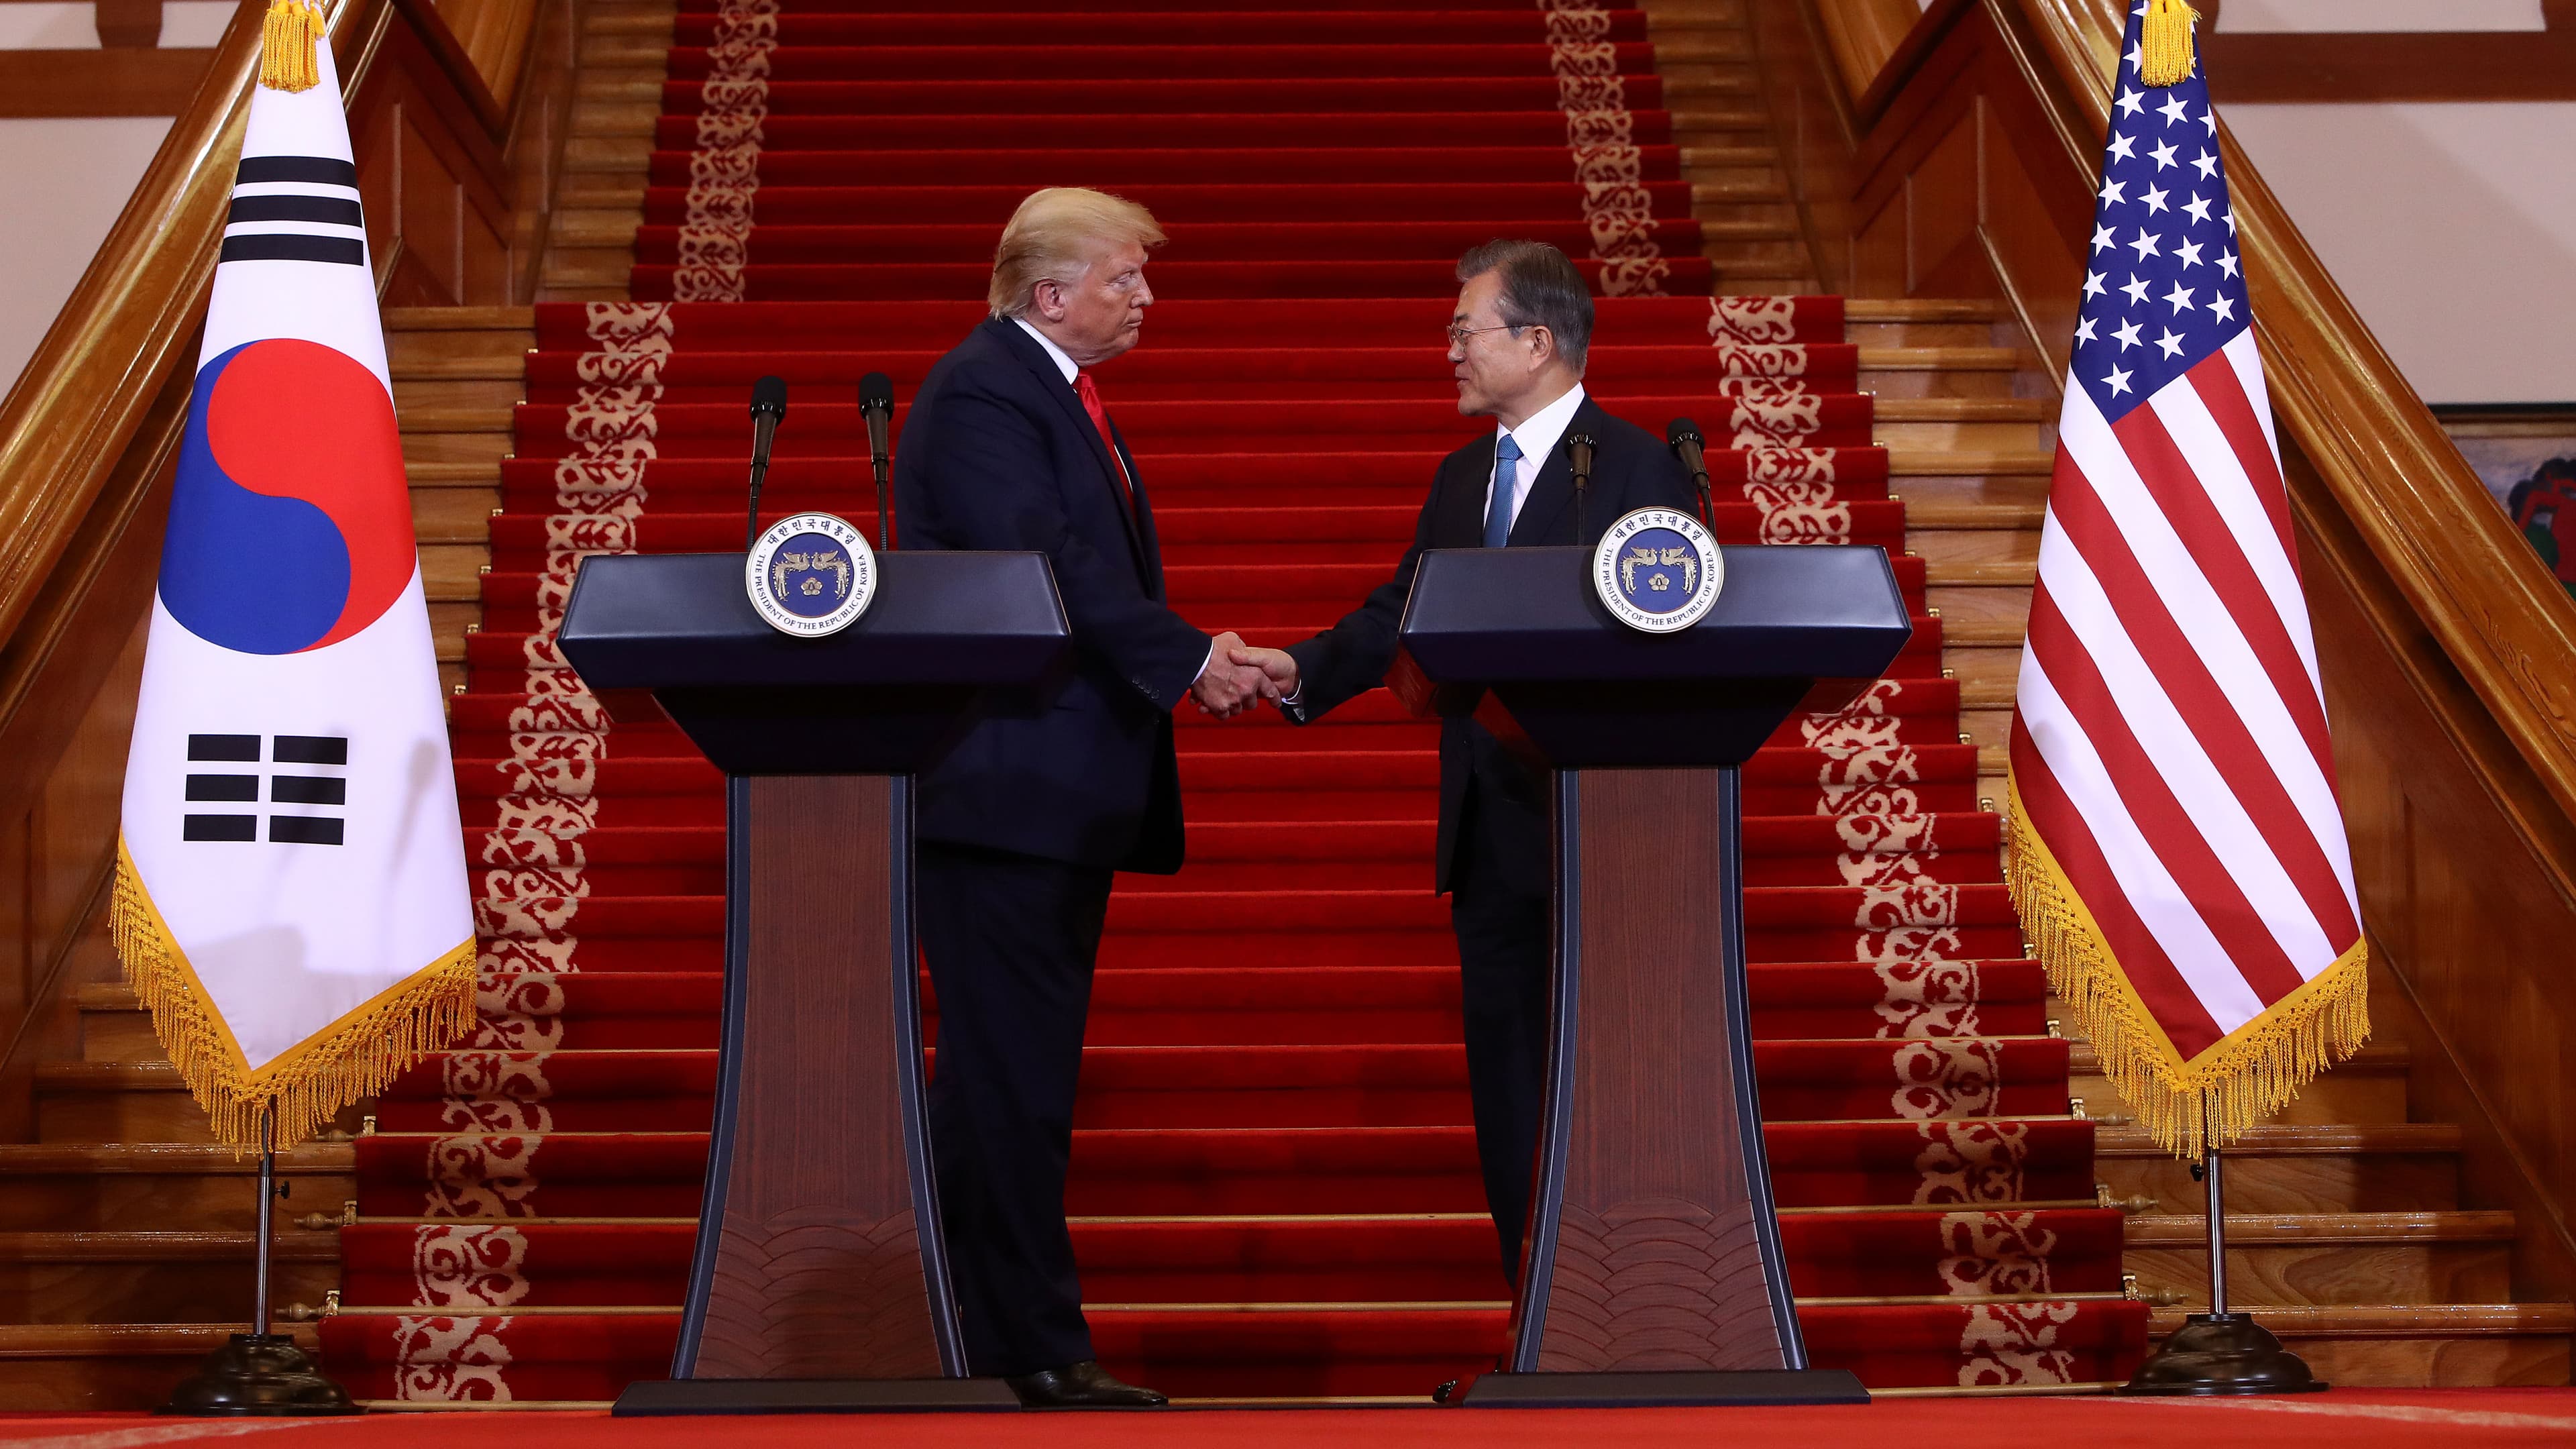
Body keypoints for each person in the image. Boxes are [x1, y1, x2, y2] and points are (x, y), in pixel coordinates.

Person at [1228, 241, 1701, 1283]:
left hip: (1606, 828)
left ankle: (1628, 1298)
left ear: (1537, 342)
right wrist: (1300, 667)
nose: (1448, 350)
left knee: (1613, 1075)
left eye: (1463, 330)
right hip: (1489, 833)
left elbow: (1672, 640)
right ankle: (1532, 1304)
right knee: (1509, 1083)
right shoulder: (1461, 478)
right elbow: (1405, 611)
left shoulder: (1639, 469)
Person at [894, 186, 1265, 1407]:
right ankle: (1031, 1345)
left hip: (1040, 795)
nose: (1145, 297)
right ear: (1051, 294)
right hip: (1004, 791)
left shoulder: (1042, 389)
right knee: (1012, 1077)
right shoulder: (987, 393)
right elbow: (1047, 566)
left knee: (1004, 1075)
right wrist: (1191, 658)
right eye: (1125, 277)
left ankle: (950, 1328)